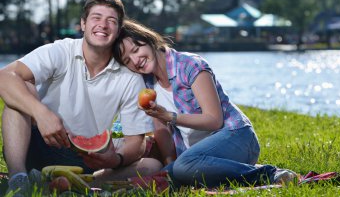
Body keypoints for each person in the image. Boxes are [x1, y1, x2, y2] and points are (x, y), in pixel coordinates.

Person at [0, 0, 161, 196]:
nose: (103, 25)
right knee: (21, 87)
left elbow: (136, 144)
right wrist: (41, 114)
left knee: (152, 166)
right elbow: (4, 76)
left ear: (118, 30)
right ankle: (18, 179)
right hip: (38, 144)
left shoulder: (129, 77)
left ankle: (74, 182)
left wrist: (115, 159)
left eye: (111, 21)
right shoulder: (60, 50)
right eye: (96, 17)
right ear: (83, 24)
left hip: (88, 160)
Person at [112, 19, 298, 189]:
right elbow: (161, 130)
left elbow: (214, 120)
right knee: (166, 176)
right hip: (195, 156)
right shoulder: (147, 82)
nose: (136, 60)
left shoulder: (190, 65)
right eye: (128, 60)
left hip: (236, 137)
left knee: (184, 167)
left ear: (149, 39)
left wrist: (170, 117)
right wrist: (170, 164)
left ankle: (269, 174)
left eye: (136, 50)